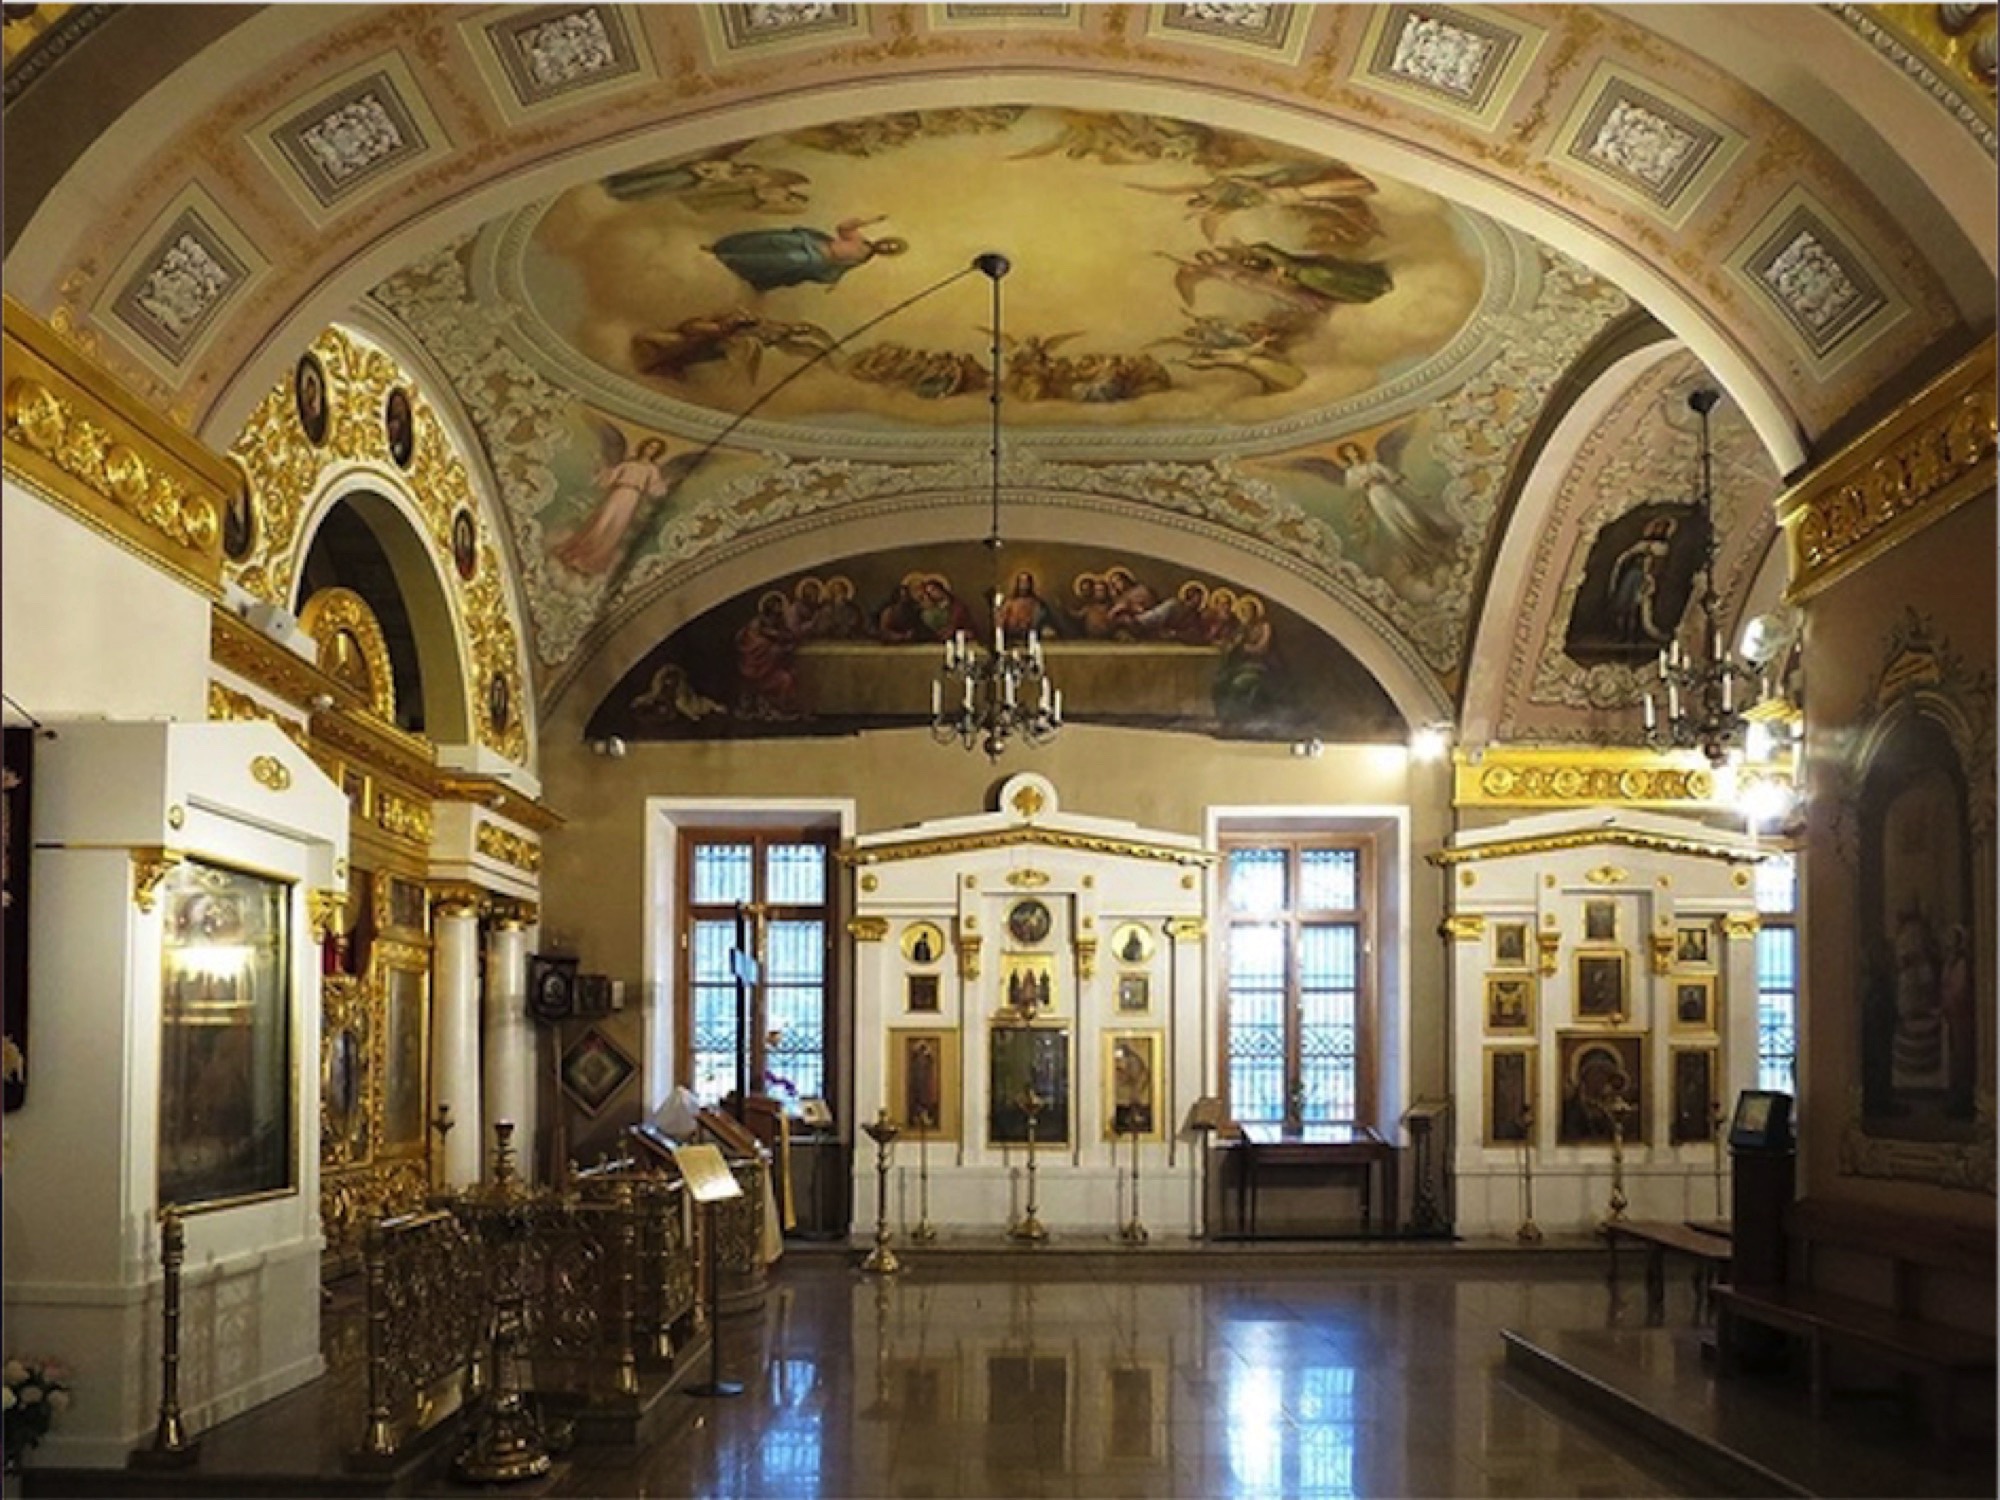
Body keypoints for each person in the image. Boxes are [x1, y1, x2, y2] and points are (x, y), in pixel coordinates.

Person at [552, 435, 673, 576]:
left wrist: (664, 486)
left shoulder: (652, 470)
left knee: (615, 530)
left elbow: (654, 489)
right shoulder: (628, 464)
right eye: (650, 446)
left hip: (632, 499)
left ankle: (590, 563)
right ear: (644, 446)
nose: (650, 450)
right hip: (617, 494)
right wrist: (601, 472)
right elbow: (609, 479)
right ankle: (575, 554)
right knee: (600, 524)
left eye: (654, 449)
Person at [707, 217, 907, 292]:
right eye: (889, 244)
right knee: (773, 239)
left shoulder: (863, 258)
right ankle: (724, 247)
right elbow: (843, 227)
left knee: (782, 260)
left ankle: (730, 260)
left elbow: (843, 268)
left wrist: (834, 282)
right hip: (812, 243)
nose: (886, 247)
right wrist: (867, 222)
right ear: (885, 240)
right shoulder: (860, 240)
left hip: (816, 259)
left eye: (890, 249)